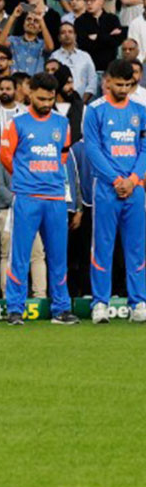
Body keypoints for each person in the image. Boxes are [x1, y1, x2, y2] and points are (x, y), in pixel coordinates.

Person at [0, 72, 79, 326]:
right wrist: (25, 177)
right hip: (27, 197)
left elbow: (63, 157)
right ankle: (14, 309)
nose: (46, 103)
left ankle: (61, 309)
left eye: (50, 99)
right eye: (41, 98)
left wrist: (46, 175)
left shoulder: (61, 123)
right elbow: (5, 156)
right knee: (20, 255)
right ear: (29, 93)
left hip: (55, 197)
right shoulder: (17, 123)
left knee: (58, 256)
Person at [81, 59, 146, 324]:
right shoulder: (94, 110)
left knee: (136, 246)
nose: (124, 89)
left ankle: (139, 301)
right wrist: (116, 179)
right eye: (119, 84)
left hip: (135, 188)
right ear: (107, 81)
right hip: (107, 188)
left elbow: (144, 149)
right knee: (103, 245)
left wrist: (133, 179)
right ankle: (100, 303)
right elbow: (92, 149)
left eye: (129, 85)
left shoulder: (141, 110)